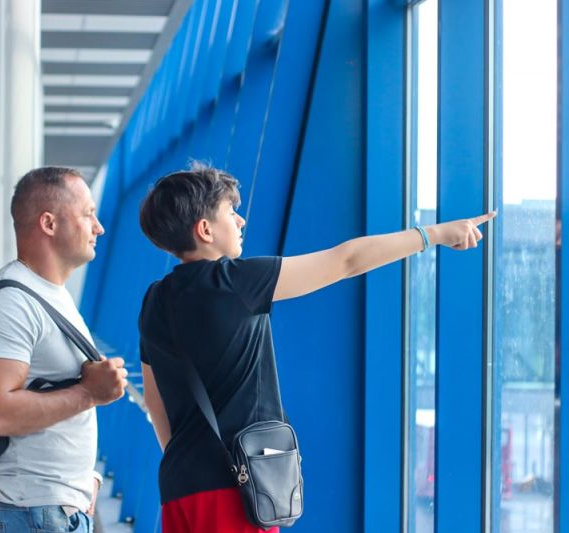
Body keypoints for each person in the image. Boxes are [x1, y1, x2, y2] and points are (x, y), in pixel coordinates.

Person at [137, 164, 495, 533]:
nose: (241, 221)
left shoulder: (155, 299)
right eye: (231, 212)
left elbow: (154, 398)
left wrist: (190, 464)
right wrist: (433, 234)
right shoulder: (237, 281)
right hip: (233, 488)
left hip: (180, 485)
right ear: (205, 229)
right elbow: (345, 260)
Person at [0, 166, 128, 533]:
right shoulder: (13, 302)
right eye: (88, 213)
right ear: (49, 224)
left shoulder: (48, 295)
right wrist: (90, 393)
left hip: (48, 511)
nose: (98, 226)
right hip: (28, 513)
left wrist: (84, 480)